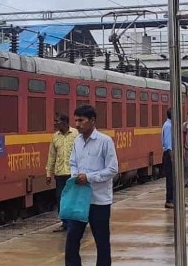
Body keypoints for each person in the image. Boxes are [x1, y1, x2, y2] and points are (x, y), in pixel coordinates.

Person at [67, 104, 118, 266]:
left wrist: (89, 177)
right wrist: (75, 175)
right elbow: (73, 163)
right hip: (80, 199)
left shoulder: (105, 141)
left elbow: (112, 169)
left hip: (99, 201)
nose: (77, 124)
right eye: (75, 120)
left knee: (102, 242)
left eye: (81, 120)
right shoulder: (77, 141)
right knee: (71, 241)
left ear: (93, 120)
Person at [46, 113, 79, 231]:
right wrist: (48, 173)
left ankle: (75, 223)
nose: (55, 123)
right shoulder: (55, 137)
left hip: (73, 173)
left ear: (65, 122)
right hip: (60, 173)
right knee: (61, 198)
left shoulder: (76, 134)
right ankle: (65, 223)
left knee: (73, 198)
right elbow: (51, 156)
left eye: (57, 121)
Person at [162, 109, 175, 209]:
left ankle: (174, 199)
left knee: (174, 179)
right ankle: (169, 200)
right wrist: (172, 158)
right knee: (170, 179)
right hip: (169, 154)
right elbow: (168, 144)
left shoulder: (170, 125)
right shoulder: (168, 126)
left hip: (171, 154)